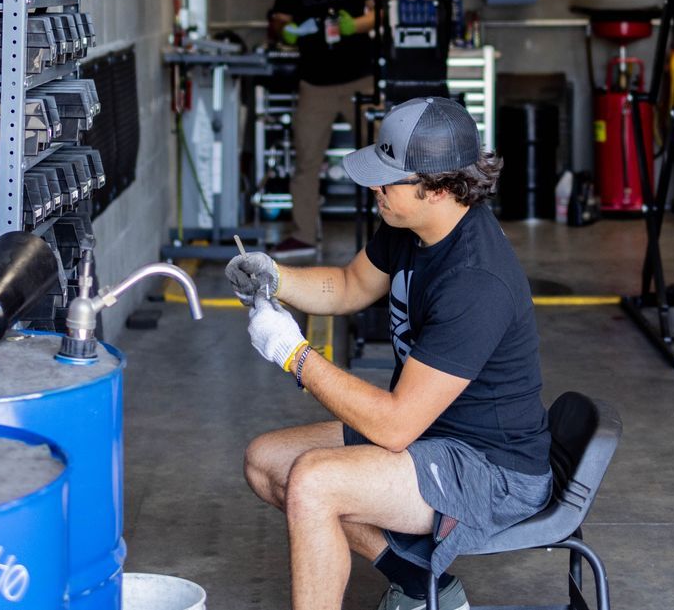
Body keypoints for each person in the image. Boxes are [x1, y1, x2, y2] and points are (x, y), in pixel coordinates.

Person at [228, 98, 552, 610]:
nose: (374, 187)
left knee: (314, 482)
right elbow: (349, 284)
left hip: (491, 469)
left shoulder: (476, 281)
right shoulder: (413, 228)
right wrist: (278, 277)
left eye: (389, 179)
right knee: (267, 462)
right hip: (436, 431)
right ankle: (428, 589)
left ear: (440, 188)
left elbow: (395, 426)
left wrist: (294, 353)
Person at [267, 0, 377, 258]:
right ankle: (302, 234)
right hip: (315, 82)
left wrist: (354, 26)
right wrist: (286, 30)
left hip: (360, 76)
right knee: (307, 161)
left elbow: (378, 13)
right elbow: (279, 19)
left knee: (384, 154)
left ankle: (398, 229)